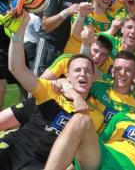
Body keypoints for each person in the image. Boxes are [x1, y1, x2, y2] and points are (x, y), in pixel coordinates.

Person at [1, 11, 103, 170]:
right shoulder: (50, 90)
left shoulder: (94, 116)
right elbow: (18, 69)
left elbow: (80, 157)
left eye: (88, 71)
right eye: (77, 70)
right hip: (13, 148)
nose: (83, 73)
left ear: (93, 78)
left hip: (41, 164)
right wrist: (18, 34)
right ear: (68, 76)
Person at [44, 77, 135, 170]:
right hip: (102, 156)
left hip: (126, 166)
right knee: (81, 119)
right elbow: (99, 143)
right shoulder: (121, 117)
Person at [35, 0, 90, 76]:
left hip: (71, 50)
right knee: (39, 86)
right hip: (50, 46)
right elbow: (45, 26)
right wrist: (66, 12)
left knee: (63, 89)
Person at [0, 0, 21, 109]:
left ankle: (26, 122)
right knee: (0, 89)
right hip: (0, 47)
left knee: (26, 86)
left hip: (19, 46)